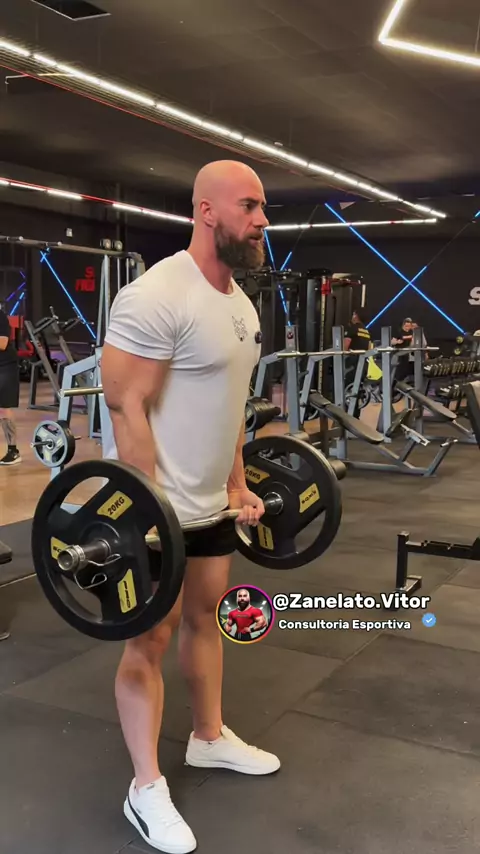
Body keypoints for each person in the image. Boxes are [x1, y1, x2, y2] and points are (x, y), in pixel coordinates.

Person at [101, 160, 280, 854]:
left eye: (261, 208)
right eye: (249, 206)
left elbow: (230, 409)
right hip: (156, 511)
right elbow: (126, 406)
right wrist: (147, 511)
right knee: (148, 639)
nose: (261, 220)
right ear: (207, 211)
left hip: (209, 507)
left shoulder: (241, 306)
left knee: (208, 618)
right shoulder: (157, 295)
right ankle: (144, 787)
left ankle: (208, 737)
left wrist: (235, 485)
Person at [0, 303, 21, 465]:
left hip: (5, 366)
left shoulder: (0, 317)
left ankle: (13, 451)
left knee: (3, 408)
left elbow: (2, 343)